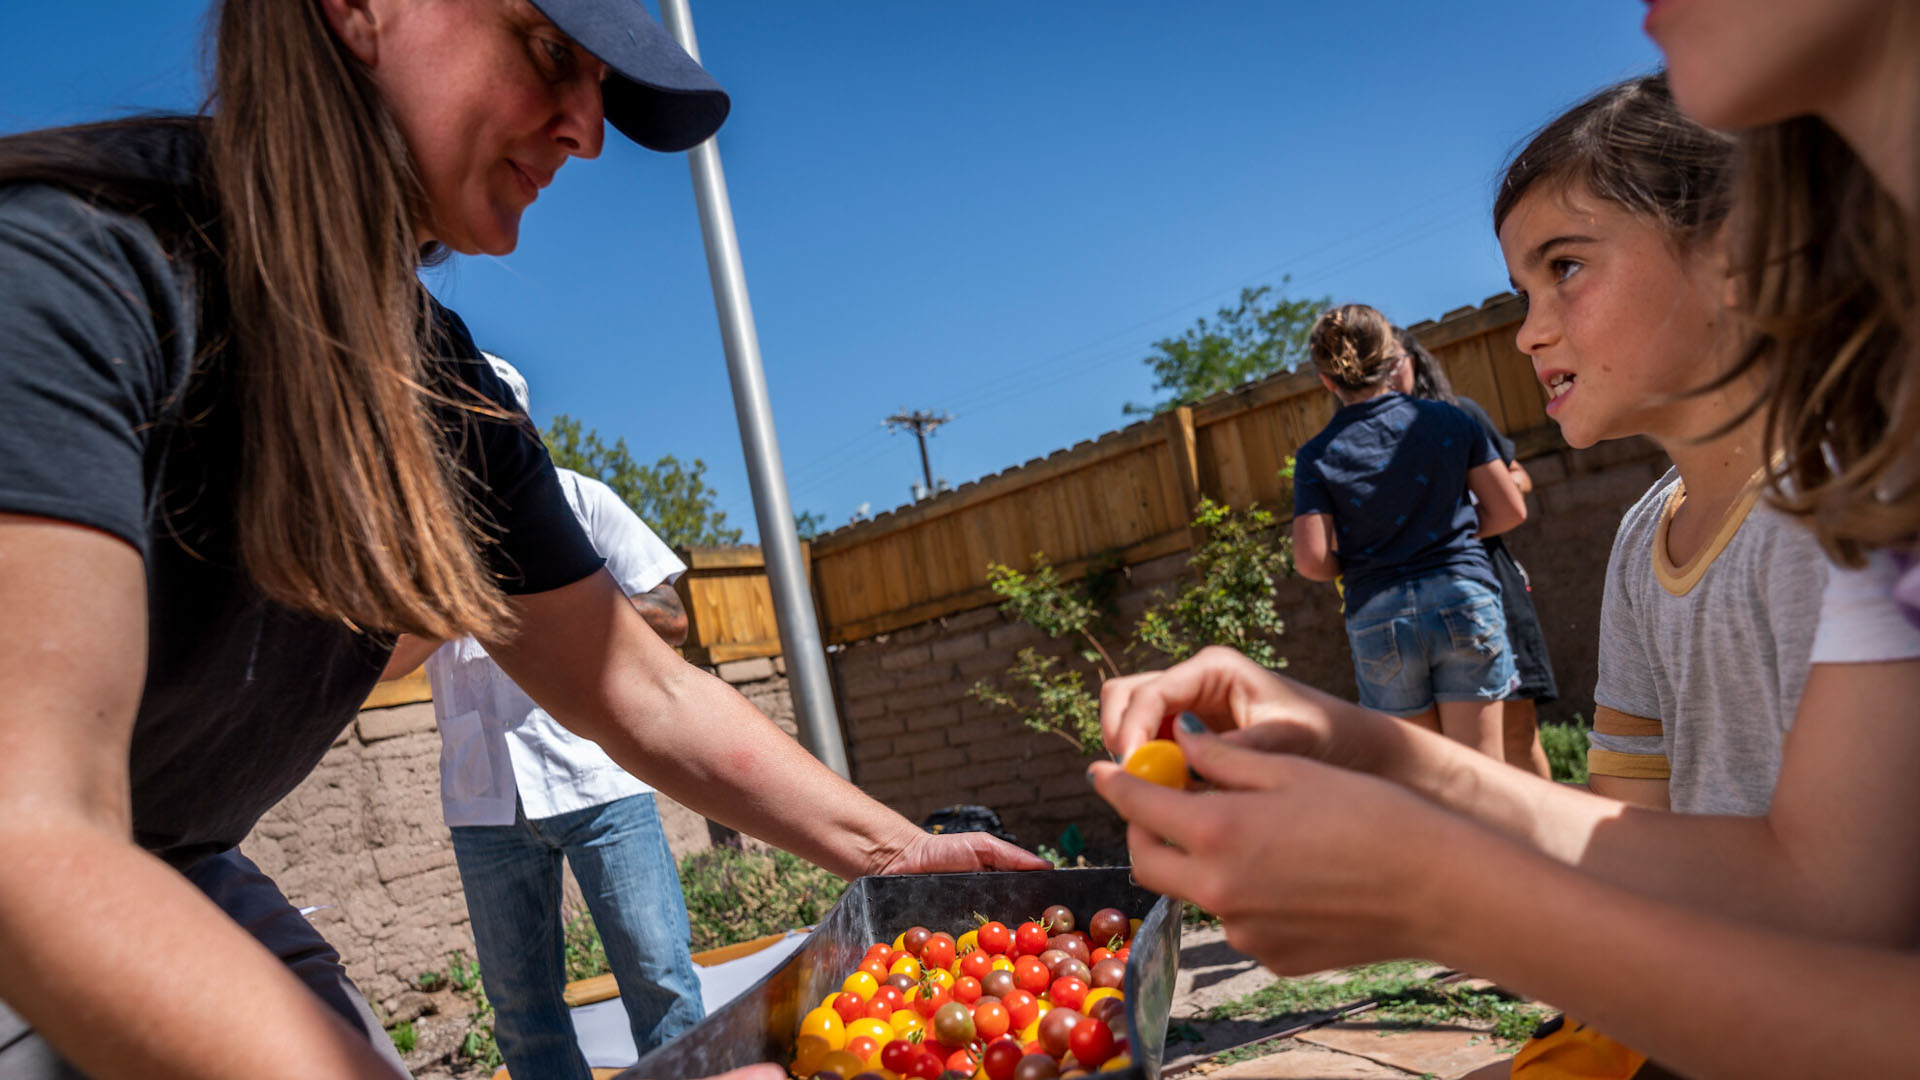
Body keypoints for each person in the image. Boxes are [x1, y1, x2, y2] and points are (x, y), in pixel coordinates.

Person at [0, 2, 1044, 1077]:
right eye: (550, 53)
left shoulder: (440, 390)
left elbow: (639, 687)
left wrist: (904, 858)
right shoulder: (68, 274)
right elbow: (30, 842)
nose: (587, 131)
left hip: (170, 861)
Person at [1089, 2, 1920, 1075]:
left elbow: (1837, 916)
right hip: (1470, 613)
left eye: (1565, 268)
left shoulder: (1850, 497)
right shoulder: (1641, 533)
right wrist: (1355, 745)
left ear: (1740, 248)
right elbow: (1643, 843)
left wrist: (1443, 890)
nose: (1526, 329)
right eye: (1524, 289)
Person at [381, 355, 706, 1077]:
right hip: (484, 804)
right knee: (523, 1016)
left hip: (599, 783)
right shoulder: (421, 535)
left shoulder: (580, 502)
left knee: (661, 988)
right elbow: (389, 659)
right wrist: (462, 600)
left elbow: (671, 620)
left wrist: (566, 610)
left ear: (516, 424)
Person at [1291, 303, 1529, 758]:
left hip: (1379, 615)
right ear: (1392, 359)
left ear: (1327, 380)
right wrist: (1453, 537)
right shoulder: (1451, 421)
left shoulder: (1316, 456)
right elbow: (1510, 509)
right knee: (1481, 775)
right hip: (1463, 595)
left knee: (1420, 778)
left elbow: (1312, 561)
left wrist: (1365, 562)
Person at [1391, 330, 1556, 777]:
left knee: (1519, 733)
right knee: (1454, 754)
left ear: (1415, 361)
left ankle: (1548, 840)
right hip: (1417, 606)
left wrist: (1463, 513)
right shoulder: (1359, 443)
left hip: (1491, 582)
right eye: (1374, 364)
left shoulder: (1458, 416)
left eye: (1394, 360)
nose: (1386, 372)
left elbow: (1518, 479)